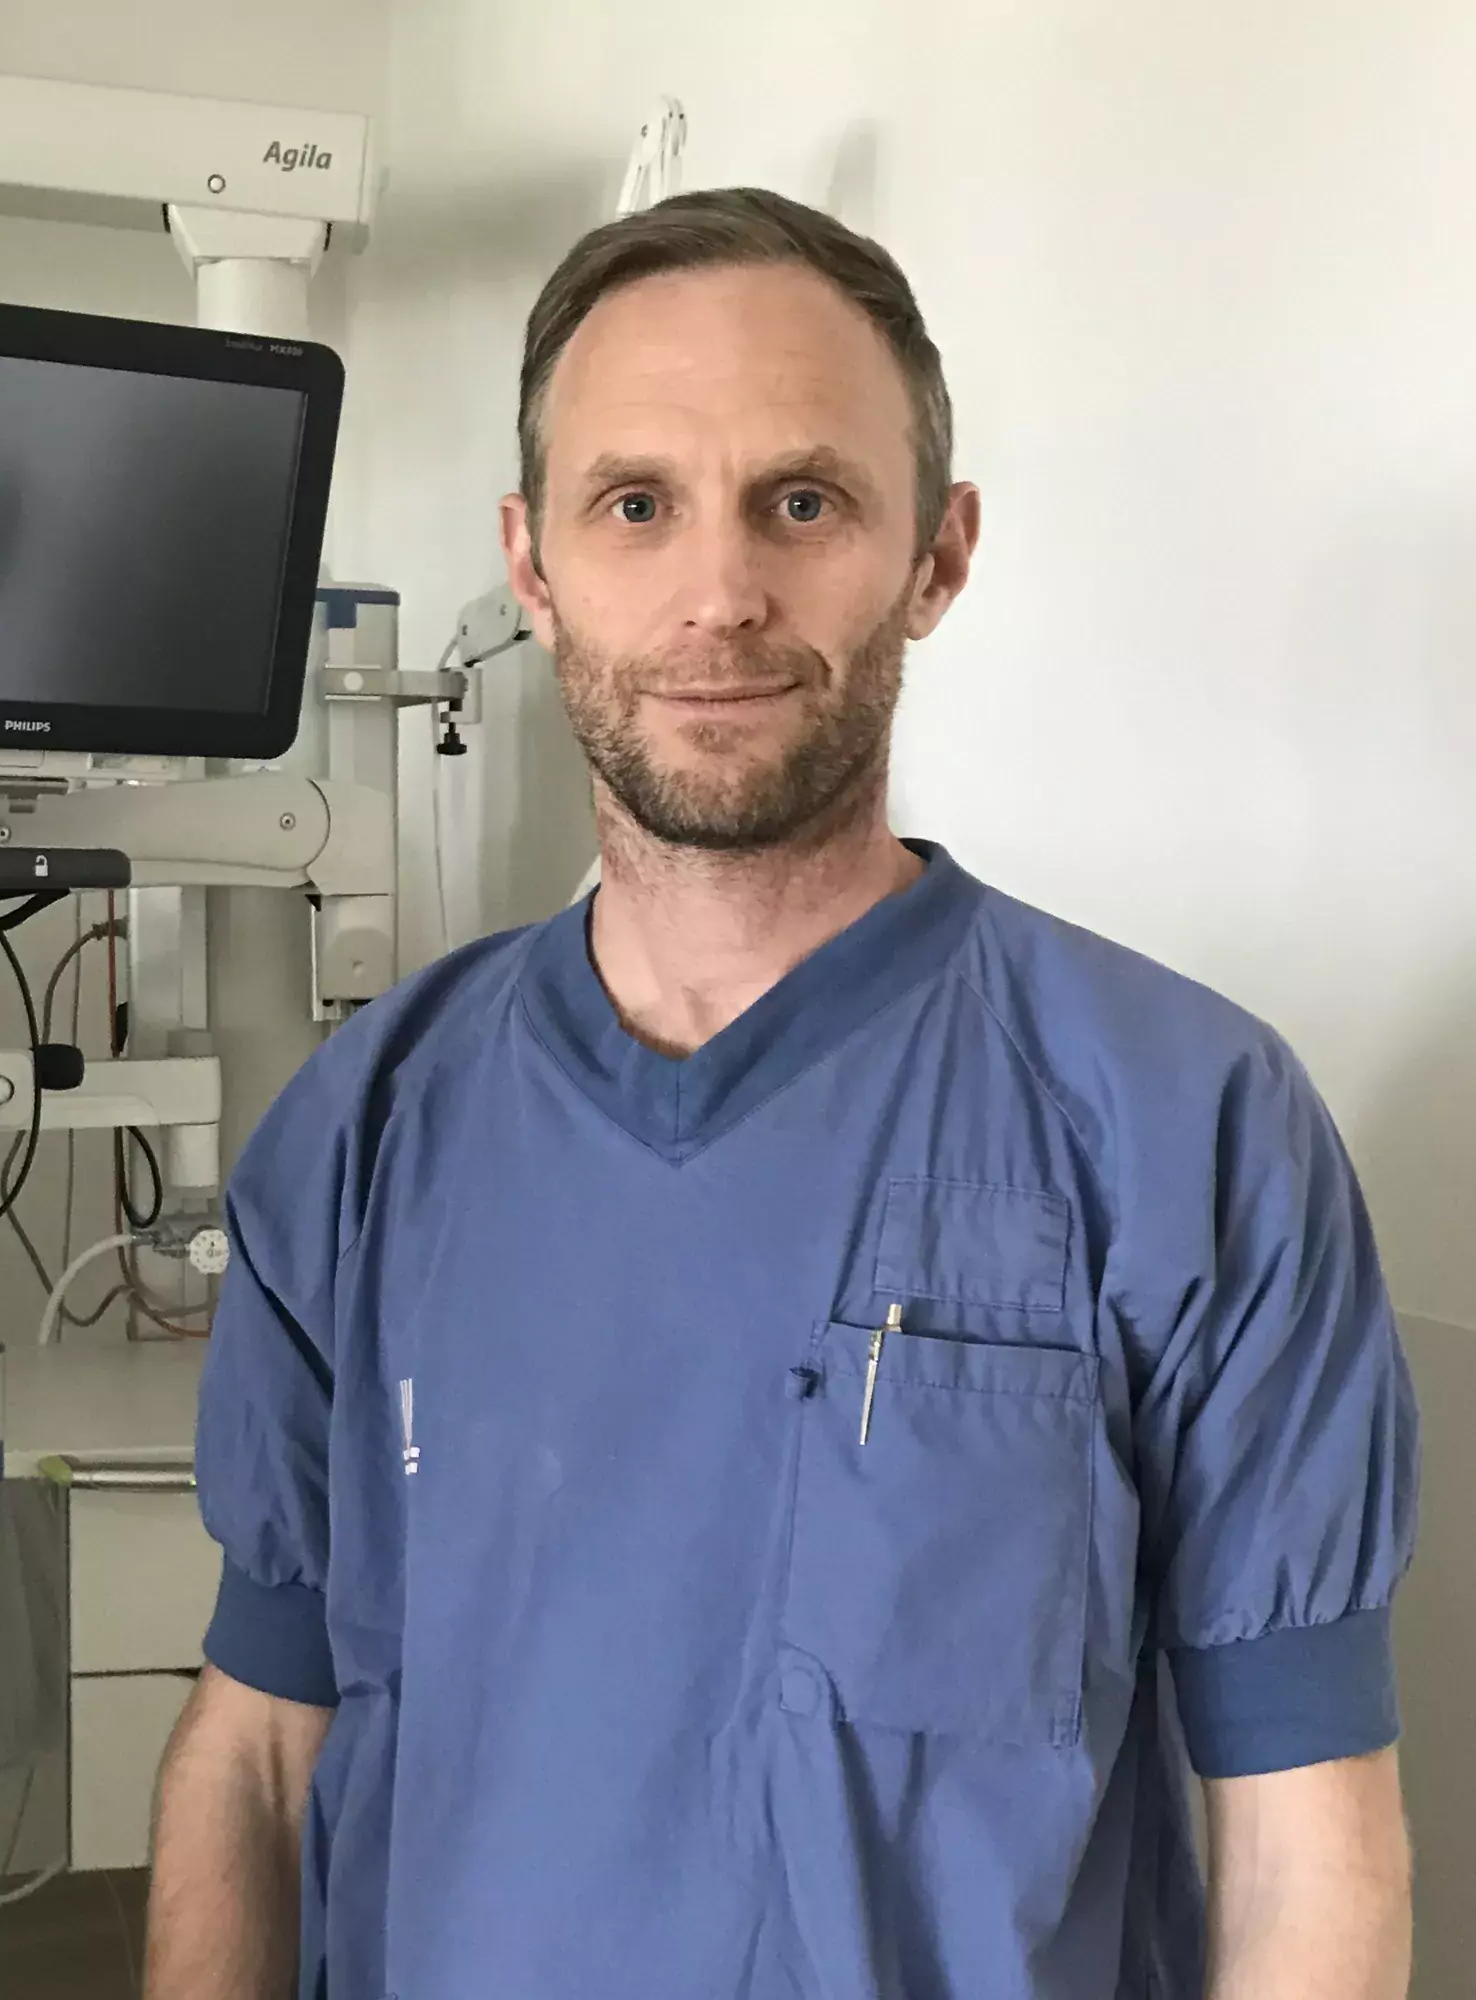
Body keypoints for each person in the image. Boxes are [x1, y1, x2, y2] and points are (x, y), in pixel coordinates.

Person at [144, 187, 1419, 2000]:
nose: (720, 593)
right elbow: (257, 1758)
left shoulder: (1188, 1126)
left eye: (802, 502)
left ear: (937, 553)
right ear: (532, 563)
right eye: (637, 504)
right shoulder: (364, 1136)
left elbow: (1307, 1846)